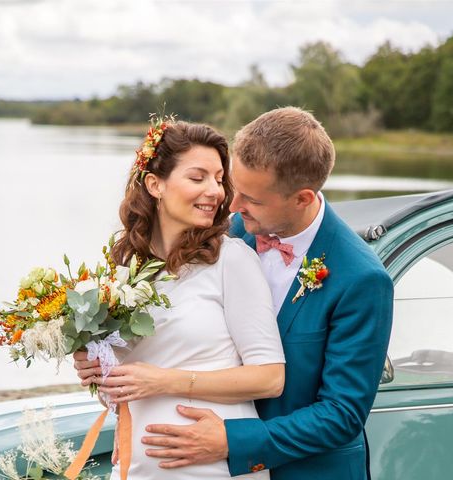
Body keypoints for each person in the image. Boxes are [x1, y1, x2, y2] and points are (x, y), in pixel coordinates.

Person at [138, 107, 394, 480]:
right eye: (233, 186)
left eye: (251, 199)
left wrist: (232, 440)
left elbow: (342, 414)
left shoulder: (362, 279)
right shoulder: (229, 234)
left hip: (308, 472)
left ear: (303, 198)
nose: (232, 205)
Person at [73, 119, 286, 480]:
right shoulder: (122, 265)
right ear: (155, 184)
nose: (216, 192)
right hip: (137, 468)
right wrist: (97, 371)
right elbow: (130, 381)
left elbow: (270, 378)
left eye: (219, 179)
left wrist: (165, 381)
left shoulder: (230, 260)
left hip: (211, 469)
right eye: (198, 177)